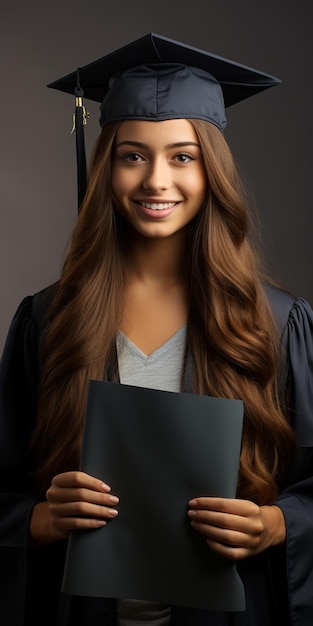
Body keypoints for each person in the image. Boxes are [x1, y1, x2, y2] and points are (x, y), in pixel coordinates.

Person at [0, 33, 312, 626]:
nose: (156, 181)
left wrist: (277, 524)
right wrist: (38, 519)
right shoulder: (48, 319)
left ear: (211, 171)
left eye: (183, 156)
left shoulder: (277, 324)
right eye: (133, 154)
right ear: (106, 167)